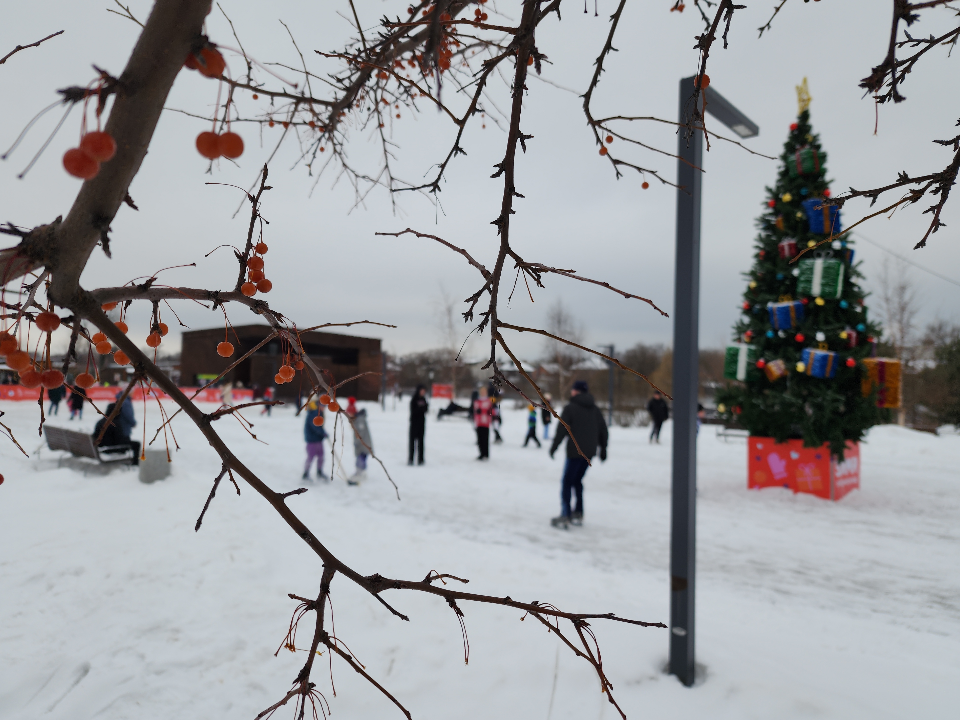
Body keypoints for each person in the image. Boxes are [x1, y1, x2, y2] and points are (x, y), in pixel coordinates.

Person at [549, 380, 608, 529]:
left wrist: (554, 447)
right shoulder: (595, 409)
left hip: (575, 452)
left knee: (567, 482)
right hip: (589, 452)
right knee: (577, 481)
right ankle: (578, 513)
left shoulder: (570, 408)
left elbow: (562, 429)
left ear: (576, 391)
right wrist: (603, 449)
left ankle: (566, 514)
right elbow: (603, 430)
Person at [94, 400, 141, 465]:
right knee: (136, 444)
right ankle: (135, 463)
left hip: (101, 447)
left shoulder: (100, 422)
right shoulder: (115, 423)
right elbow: (119, 439)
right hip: (110, 448)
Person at [346, 397, 374, 485]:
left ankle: (361, 472)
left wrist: (357, 442)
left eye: (349, 413)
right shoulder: (355, 420)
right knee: (360, 458)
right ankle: (360, 472)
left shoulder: (360, 419)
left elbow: (360, 432)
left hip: (364, 444)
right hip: (361, 445)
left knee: (361, 459)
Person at [303, 400, 327, 480]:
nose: (324, 408)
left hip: (318, 439)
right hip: (312, 439)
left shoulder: (319, 412)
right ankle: (305, 473)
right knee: (311, 456)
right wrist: (322, 432)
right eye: (323, 406)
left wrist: (322, 432)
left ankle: (319, 471)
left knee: (321, 456)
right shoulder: (315, 413)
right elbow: (314, 425)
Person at [409, 384, 428, 465]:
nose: (423, 392)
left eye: (424, 391)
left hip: (421, 423)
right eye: (422, 390)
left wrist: (421, 408)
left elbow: (425, 409)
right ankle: (411, 459)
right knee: (412, 442)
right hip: (414, 423)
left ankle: (421, 459)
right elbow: (414, 410)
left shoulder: (424, 399)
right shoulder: (414, 399)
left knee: (421, 442)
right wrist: (420, 408)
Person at [472, 386, 493, 460]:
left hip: (486, 422)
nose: (483, 393)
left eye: (484, 392)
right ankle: (481, 453)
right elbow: (475, 410)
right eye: (481, 392)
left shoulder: (488, 401)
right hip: (479, 422)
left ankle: (486, 454)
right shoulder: (477, 401)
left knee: (485, 439)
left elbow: (491, 411)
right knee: (479, 439)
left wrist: (486, 412)